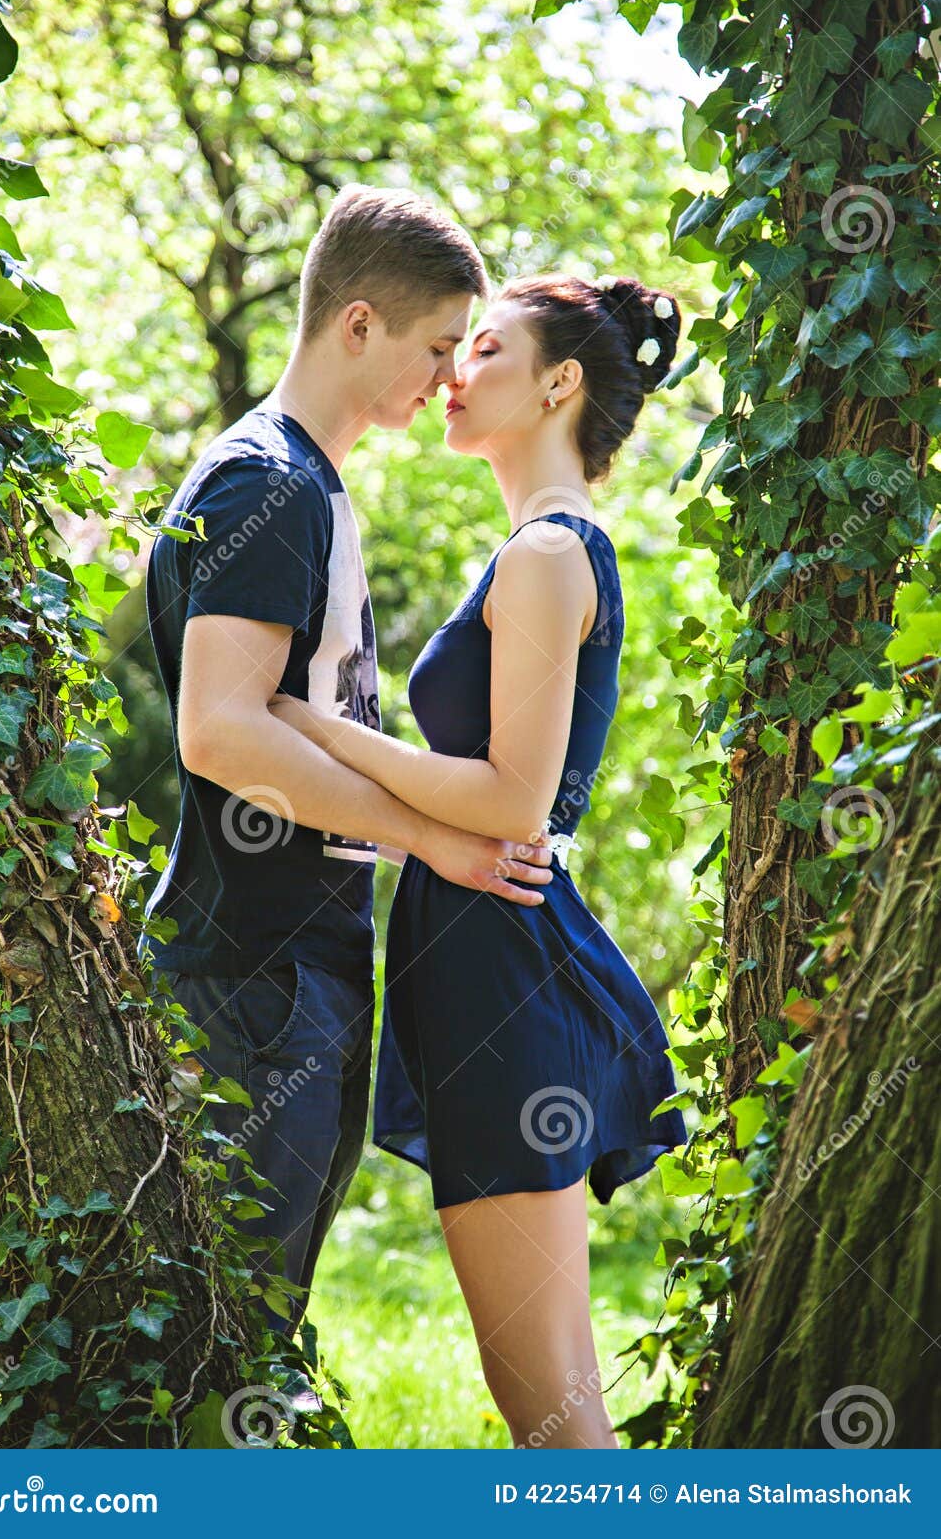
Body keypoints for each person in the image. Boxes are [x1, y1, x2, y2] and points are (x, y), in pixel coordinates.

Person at [269, 272, 690, 1447]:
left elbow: (512, 797)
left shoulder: (550, 554)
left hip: (503, 968)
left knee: (551, 1412)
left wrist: (305, 724)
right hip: (485, 963)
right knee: (545, 1403)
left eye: (485, 347)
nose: (453, 371)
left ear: (557, 382)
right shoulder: (536, 548)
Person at [137, 185, 554, 1333]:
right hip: (251, 975)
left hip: (286, 968)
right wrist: (427, 834)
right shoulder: (266, 484)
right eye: (432, 347)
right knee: (228, 1335)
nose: (446, 378)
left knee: (256, 1327)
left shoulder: (306, 483)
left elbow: (283, 712)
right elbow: (219, 730)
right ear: (357, 324)